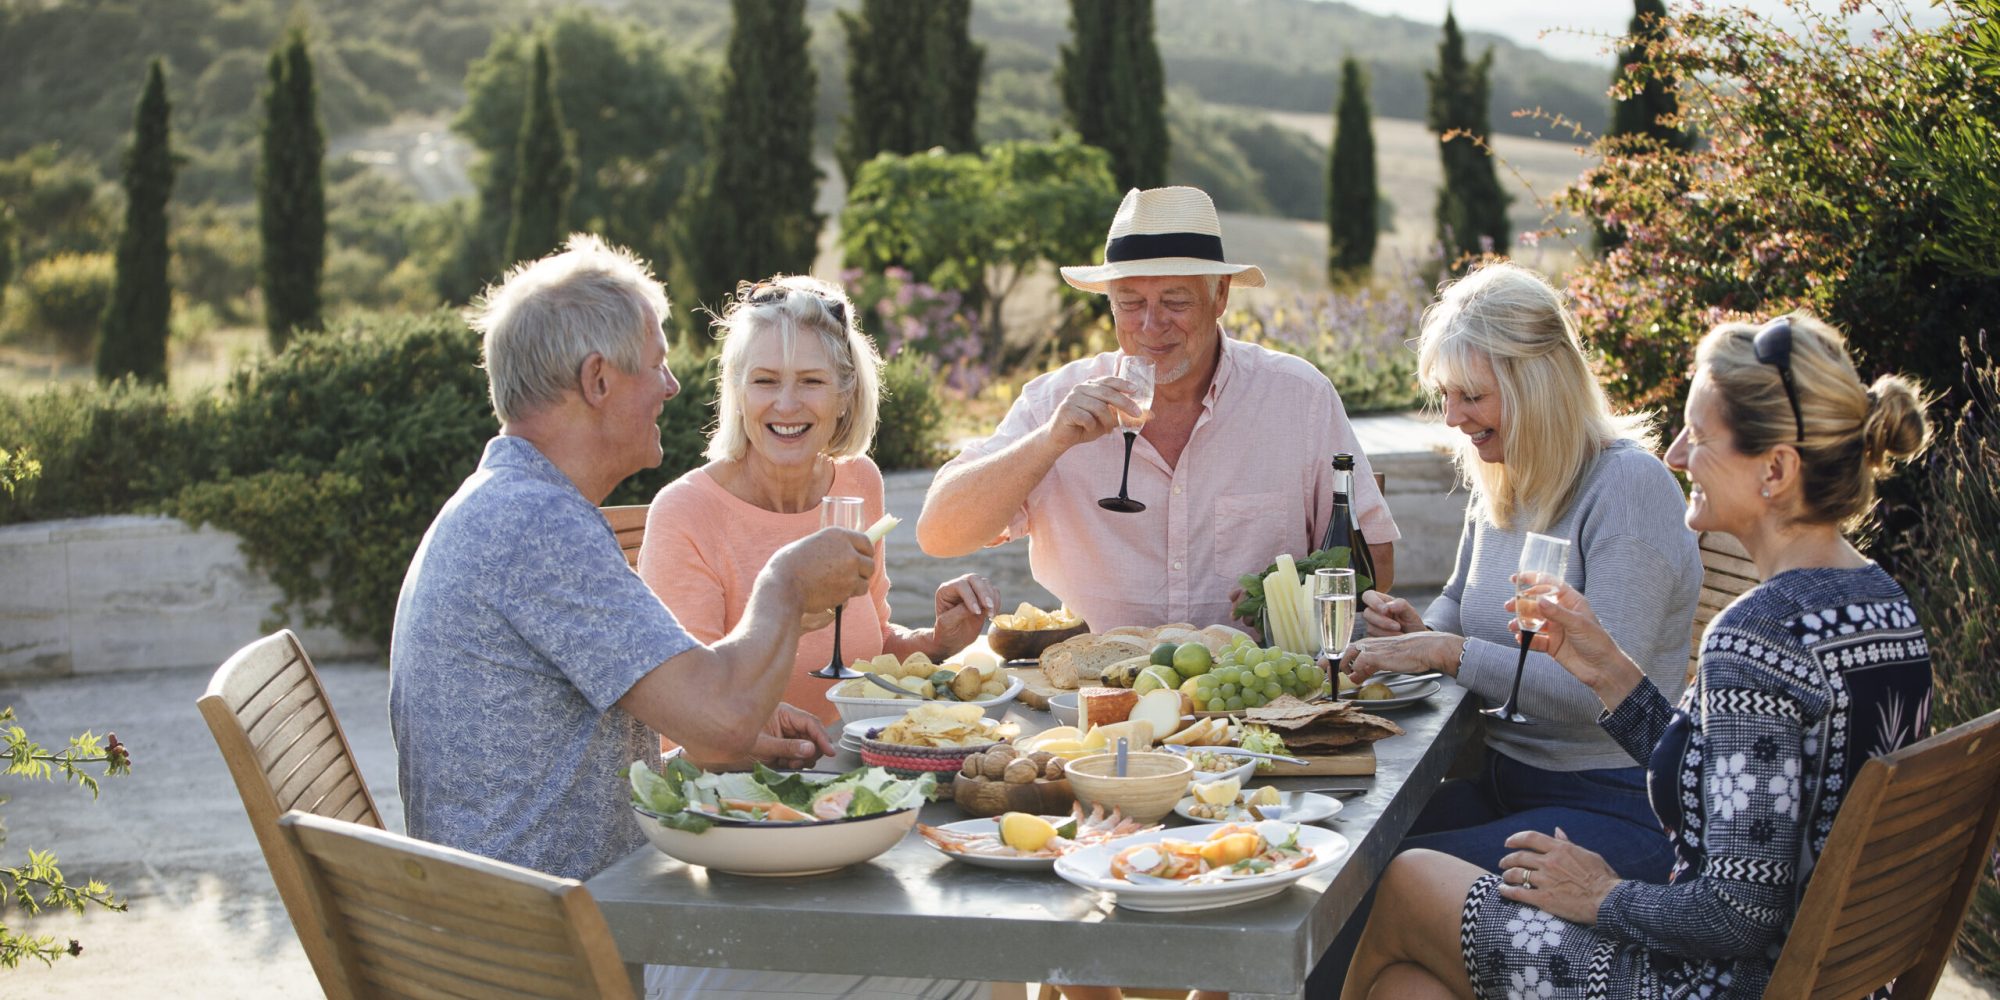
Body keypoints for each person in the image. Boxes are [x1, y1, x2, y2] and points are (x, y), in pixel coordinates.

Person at [1341, 312, 1935, 999]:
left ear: (1775, 469)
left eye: (1700, 437)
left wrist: (1600, 894)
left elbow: (1734, 916)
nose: (1677, 455)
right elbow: (1735, 782)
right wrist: (1609, 671)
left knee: (1412, 880)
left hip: (1708, 983)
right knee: (1409, 987)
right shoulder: (1882, 605)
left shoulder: (1758, 636)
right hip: (1820, 977)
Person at [389, 234, 869, 884]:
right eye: (656, 365)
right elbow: (722, 719)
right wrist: (784, 582)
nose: (672, 387)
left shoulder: (513, 503)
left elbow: (625, 746)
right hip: (563, 941)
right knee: (938, 970)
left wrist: (726, 741)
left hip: (543, 907)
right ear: (598, 380)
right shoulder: (537, 525)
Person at [1305, 262, 1702, 994]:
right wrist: (1418, 627)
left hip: (1614, 808)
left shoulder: (1628, 489)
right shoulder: (1505, 477)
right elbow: (1458, 608)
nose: (1452, 416)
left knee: (1360, 889)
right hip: (1508, 787)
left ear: (1537, 385)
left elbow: (1594, 692)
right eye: (1447, 395)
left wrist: (1448, 652)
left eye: (1472, 395)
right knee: (1330, 854)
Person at [917, 186, 1397, 631]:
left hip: (1257, 695)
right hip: (1087, 698)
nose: (1151, 324)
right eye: (1130, 302)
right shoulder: (1053, 402)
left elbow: (1373, 561)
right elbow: (938, 534)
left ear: (1220, 297)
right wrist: (1050, 441)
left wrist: (1287, 605)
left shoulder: (1298, 397)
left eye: (1174, 301)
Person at [639, 275, 995, 725]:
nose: (787, 405)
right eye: (765, 381)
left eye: (810, 381)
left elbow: (874, 647)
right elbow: (689, 706)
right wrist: (784, 616)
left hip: (863, 764)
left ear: (845, 395)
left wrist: (936, 642)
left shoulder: (858, 482)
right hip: (749, 782)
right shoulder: (685, 514)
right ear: (738, 393)